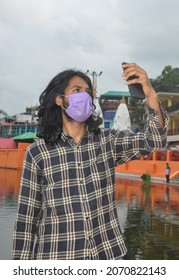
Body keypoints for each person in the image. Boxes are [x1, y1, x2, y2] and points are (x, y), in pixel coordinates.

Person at [12, 63, 169, 260]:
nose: (84, 96)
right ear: (60, 100)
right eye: (76, 90)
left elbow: (154, 140)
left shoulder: (107, 141)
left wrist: (150, 94)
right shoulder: (38, 152)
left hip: (106, 255)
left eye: (87, 92)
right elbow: (26, 220)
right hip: (56, 258)